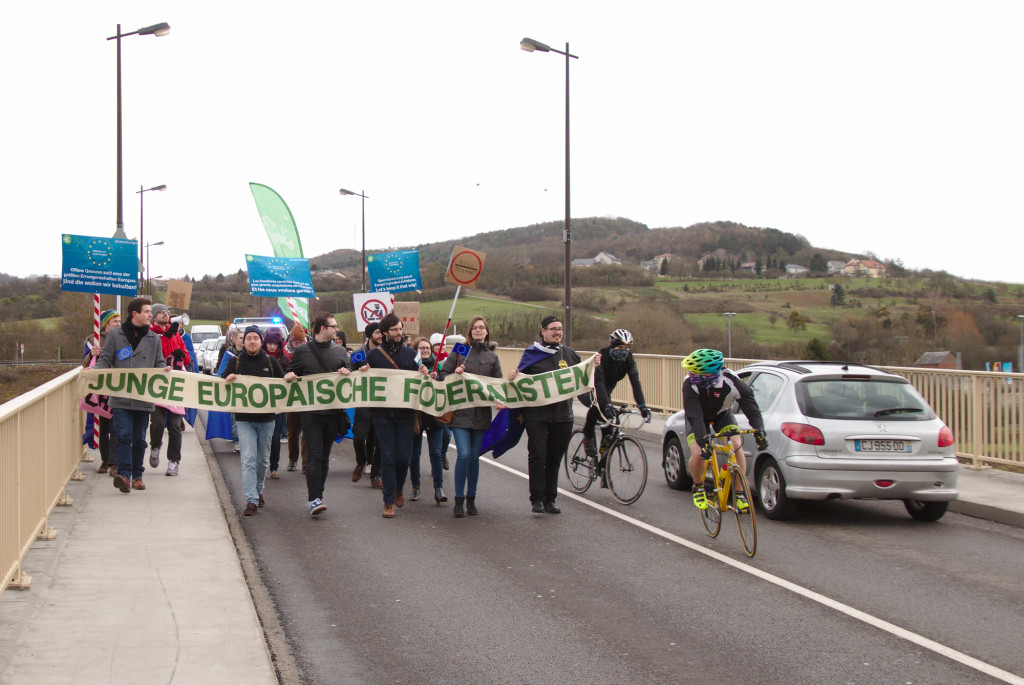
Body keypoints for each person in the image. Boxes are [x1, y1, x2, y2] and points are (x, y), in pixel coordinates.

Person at [508, 315, 583, 514]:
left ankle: (551, 498)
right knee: (538, 455)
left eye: (560, 329)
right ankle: (537, 498)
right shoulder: (532, 354)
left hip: (562, 415)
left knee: (555, 457)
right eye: (553, 329)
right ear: (543, 331)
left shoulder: (570, 354)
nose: (557, 332)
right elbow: (518, 382)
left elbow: (583, 378)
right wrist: (512, 378)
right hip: (537, 415)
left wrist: (596, 367)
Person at [94, 298, 168, 494]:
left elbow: (159, 363)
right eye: (146, 312)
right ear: (134, 314)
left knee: (139, 438)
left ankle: (138, 475)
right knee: (124, 436)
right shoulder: (116, 335)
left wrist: (164, 369)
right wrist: (92, 374)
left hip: (143, 398)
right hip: (120, 397)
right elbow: (105, 359)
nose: (150, 315)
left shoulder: (154, 339)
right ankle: (124, 476)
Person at [680, 348, 768, 511]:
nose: (693, 376)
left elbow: (751, 407)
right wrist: (702, 440)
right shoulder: (689, 383)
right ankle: (698, 486)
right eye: (691, 372)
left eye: (698, 374)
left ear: (712, 374)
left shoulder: (731, 380)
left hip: (722, 414)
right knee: (699, 452)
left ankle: (740, 493)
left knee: (736, 444)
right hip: (698, 417)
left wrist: (759, 430)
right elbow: (694, 415)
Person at [285, 312, 354, 517]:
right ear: (322, 328)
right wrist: (289, 375)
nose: (337, 329)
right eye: (333, 326)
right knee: (314, 455)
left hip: (333, 412)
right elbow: (291, 372)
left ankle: (319, 495)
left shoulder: (340, 351)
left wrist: (347, 372)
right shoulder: (302, 351)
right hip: (311, 413)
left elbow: (351, 373)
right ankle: (313, 498)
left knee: (324, 456)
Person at [439, 317, 503, 517]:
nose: (478, 330)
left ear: (487, 331)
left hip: (481, 413)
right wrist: (454, 373)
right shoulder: (461, 351)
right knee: (464, 455)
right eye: (474, 328)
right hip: (460, 413)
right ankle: (458, 500)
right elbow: (443, 375)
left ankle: (471, 499)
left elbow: (497, 384)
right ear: (469, 332)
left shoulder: (492, 356)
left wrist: (500, 399)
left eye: (481, 327)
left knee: (474, 458)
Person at [365, 313, 428, 518]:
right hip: (381, 414)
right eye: (394, 330)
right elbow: (362, 380)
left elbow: (421, 373)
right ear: (385, 332)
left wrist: (424, 372)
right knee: (388, 457)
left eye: (401, 329)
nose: (399, 333)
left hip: (405, 414)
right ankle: (388, 500)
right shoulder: (374, 356)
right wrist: (361, 371)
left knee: (403, 457)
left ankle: (399, 487)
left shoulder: (412, 354)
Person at [222, 325, 284, 515]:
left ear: (260, 341)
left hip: (267, 419)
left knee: (262, 461)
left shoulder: (271, 362)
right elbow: (221, 383)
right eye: (248, 338)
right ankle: (251, 500)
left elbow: (284, 386)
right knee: (248, 458)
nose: (251, 341)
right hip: (244, 419)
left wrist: (289, 377)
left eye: (255, 338)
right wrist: (229, 379)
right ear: (243, 341)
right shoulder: (236, 362)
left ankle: (258, 490)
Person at [583, 329, 652, 485]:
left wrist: (643, 407)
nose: (624, 351)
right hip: (590, 387)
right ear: (612, 346)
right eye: (621, 348)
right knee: (597, 408)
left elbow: (636, 383)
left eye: (627, 348)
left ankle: (603, 464)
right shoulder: (602, 356)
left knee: (609, 429)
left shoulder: (629, 359)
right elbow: (599, 383)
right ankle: (587, 436)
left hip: (607, 391)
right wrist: (607, 404)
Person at [148, 303, 190, 476]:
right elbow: (157, 354)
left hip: (175, 386)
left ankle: (174, 460)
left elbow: (186, 359)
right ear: (154, 316)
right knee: (157, 423)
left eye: (167, 312)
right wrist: (167, 336)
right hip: (157, 386)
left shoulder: (175, 334)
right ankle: (155, 446)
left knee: (174, 425)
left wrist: (181, 353)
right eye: (162, 313)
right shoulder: (151, 334)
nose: (166, 315)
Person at [83, 309, 121, 475]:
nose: (118, 324)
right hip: (99, 390)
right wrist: (92, 354)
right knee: (102, 427)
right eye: (115, 321)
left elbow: (128, 358)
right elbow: (84, 364)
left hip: (117, 387)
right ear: (106, 324)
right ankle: (105, 459)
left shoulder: (124, 339)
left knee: (115, 427)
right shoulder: (93, 340)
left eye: (120, 321)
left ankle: (114, 462)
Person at [409, 337, 446, 505]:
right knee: (414, 454)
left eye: (428, 348)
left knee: (436, 453)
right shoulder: (410, 367)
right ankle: (415, 486)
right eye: (422, 348)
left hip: (434, 416)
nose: (425, 350)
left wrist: (436, 380)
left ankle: (439, 488)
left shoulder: (438, 366)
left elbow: (446, 385)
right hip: (417, 415)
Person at [351, 322, 383, 488]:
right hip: (363, 402)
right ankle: (361, 461)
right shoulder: (358, 354)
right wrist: (356, 372)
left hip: (381, 403)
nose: (380, 336)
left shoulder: (385, 353)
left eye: (382, 333)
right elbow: (349, 373)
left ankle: (376, 475)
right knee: (358, 437)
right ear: (370, 335)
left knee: (380, 441)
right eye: (377, 333)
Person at [262, 328, 290, 479]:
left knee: (275, 438)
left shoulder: (284, 360)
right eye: (269, 343)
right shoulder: (260, 358)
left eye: (275, 344)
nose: (272, 347)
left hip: (278, 405)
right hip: (262, 404)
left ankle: (274, 467)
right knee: (262, 438)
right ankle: (262, 464)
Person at [284, 324, 309, 473]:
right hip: (292, 398)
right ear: (291, 342)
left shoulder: (310, 354)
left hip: (307, 397)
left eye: (301, 342)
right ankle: (292, 459)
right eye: (296, 343)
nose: (298, 345)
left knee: (307, 431)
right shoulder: (285, 356)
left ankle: (306, 462)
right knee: (293, 431)